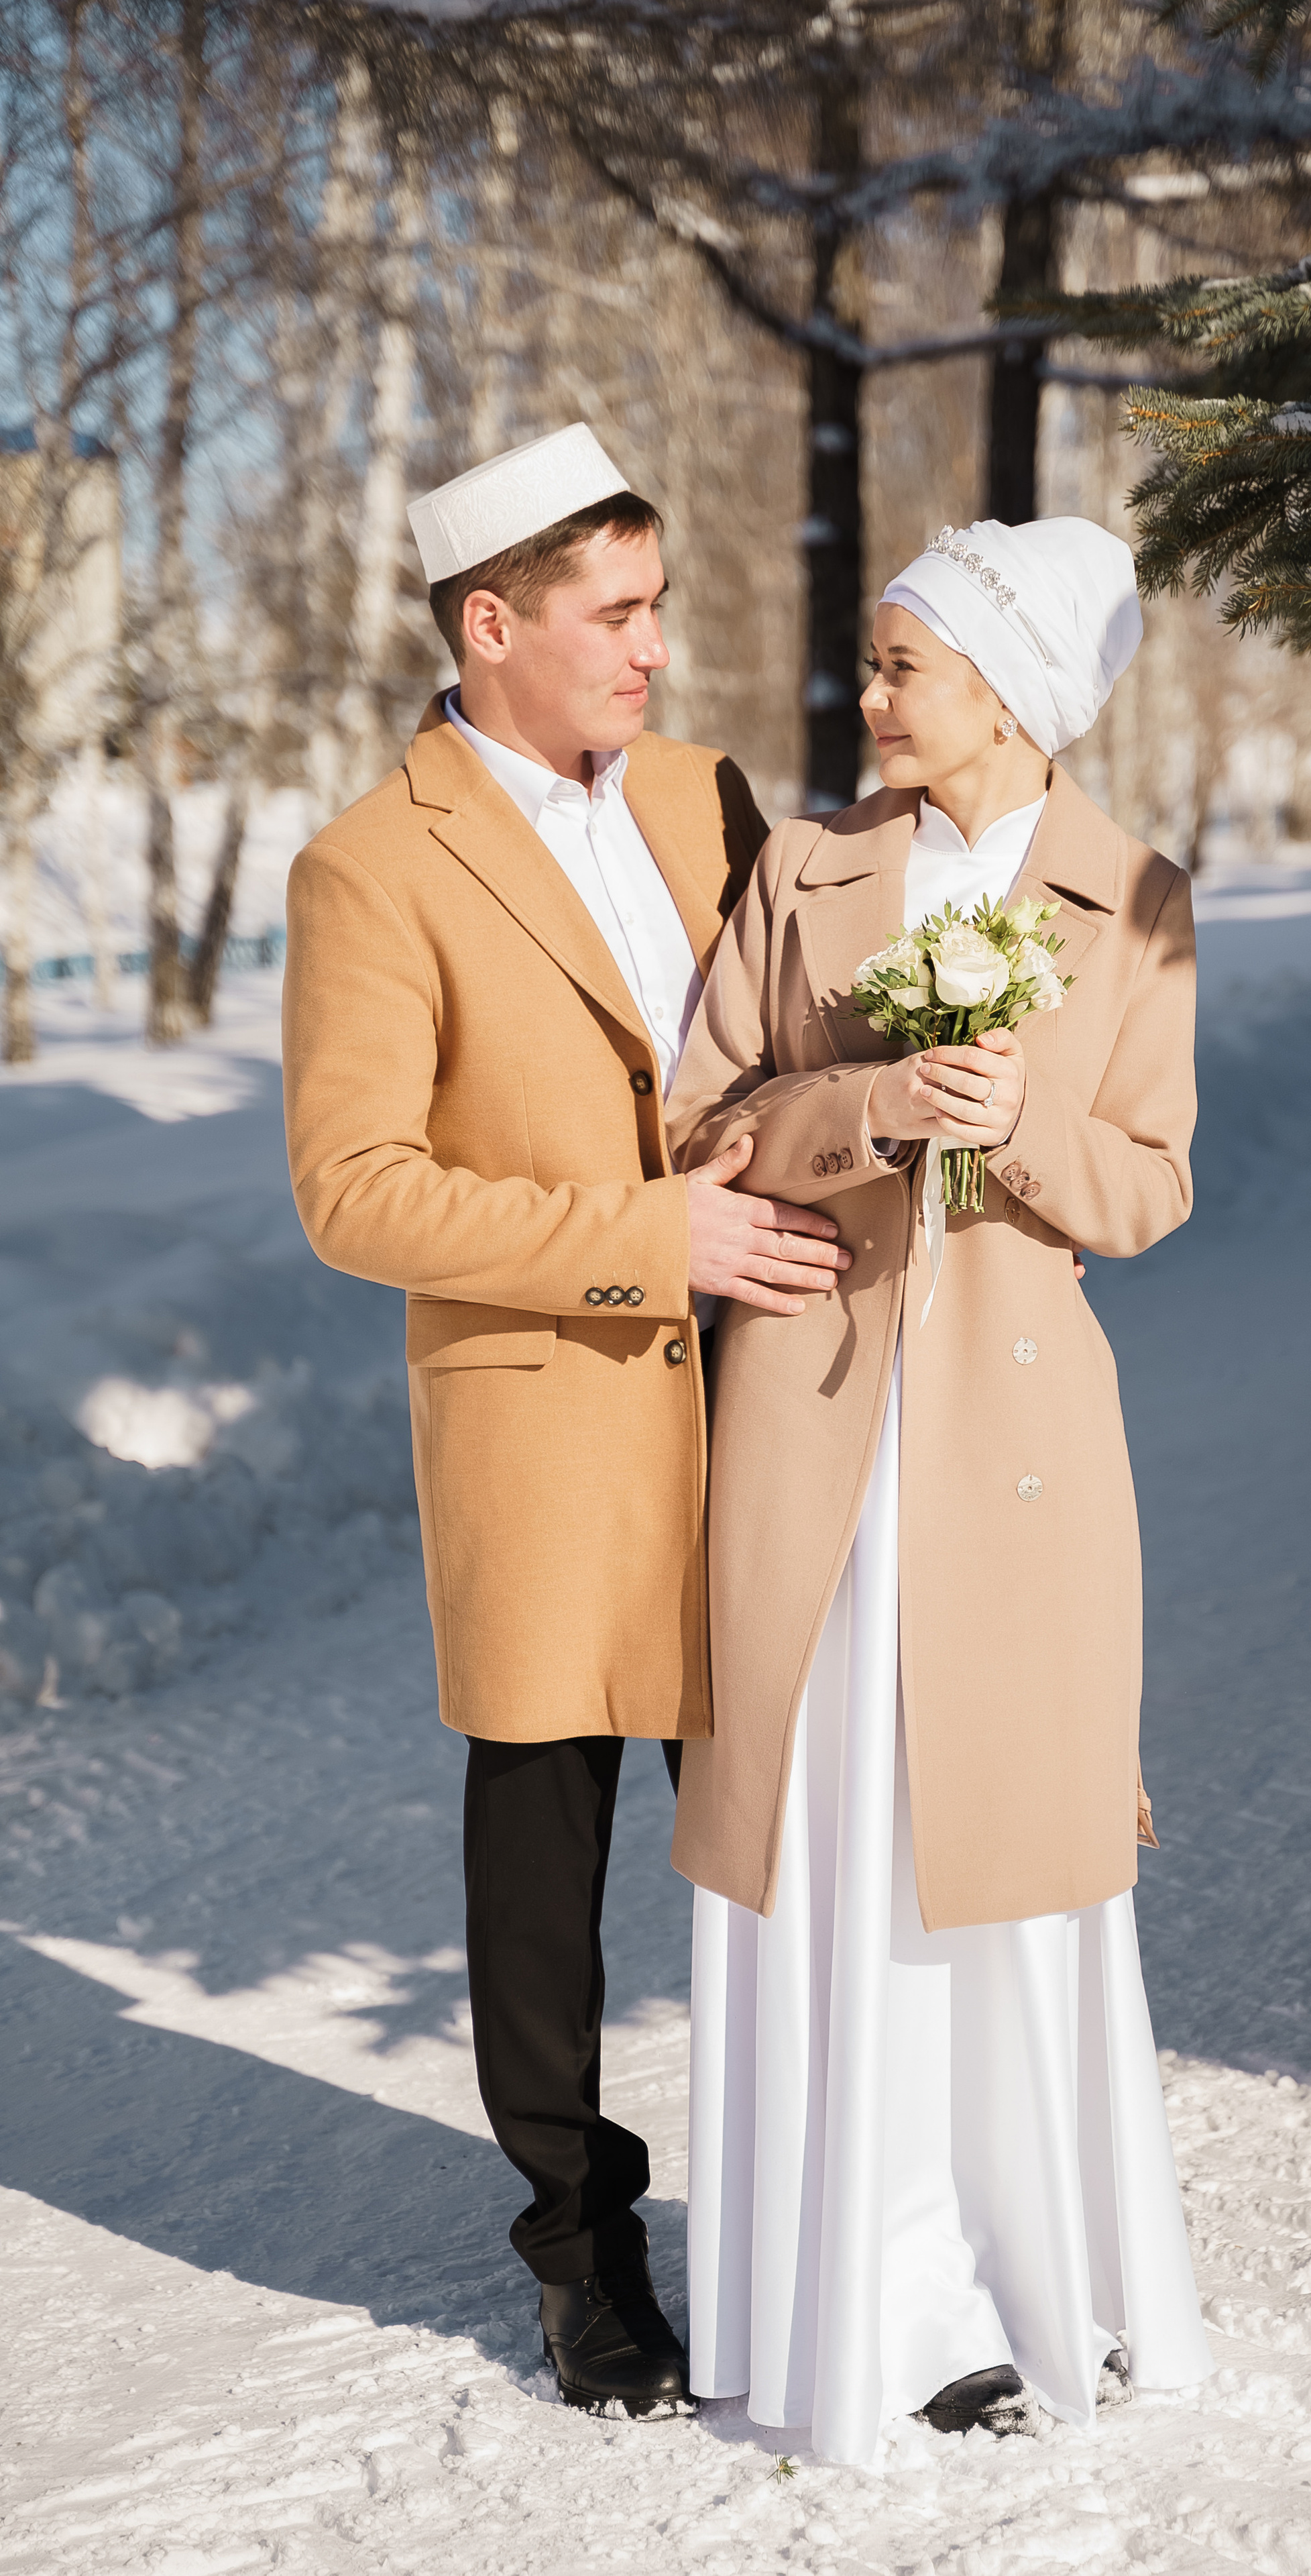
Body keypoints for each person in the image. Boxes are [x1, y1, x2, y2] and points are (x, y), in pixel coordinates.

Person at [281, 423, 851, 2421]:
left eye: (662, 605)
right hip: (549, 1415)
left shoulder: (711, 798)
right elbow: (353, 1189)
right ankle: (580, 2246)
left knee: (805, 1820)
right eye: (617, 614)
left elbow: (805, 1036)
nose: (653, 650)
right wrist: (646, 1233)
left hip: (772, 1391)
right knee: (547, 1845)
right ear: (494, 623)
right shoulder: (367, 865)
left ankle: (832, 2215)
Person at [665, 515, 1213, 2463]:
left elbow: (1149, 1183)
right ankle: (857, 2296)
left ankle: (1022, 2278)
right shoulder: (804, 874)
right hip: (818, 1416)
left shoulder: (1131, 893)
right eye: (880, 662)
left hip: (1025, 1441)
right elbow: (701, 1122)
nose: (870, 692)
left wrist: (1024, 1115)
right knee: (834, 1841)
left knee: (1000, 1842)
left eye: (904, 664)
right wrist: (871, 1107)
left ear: (1010, 687)